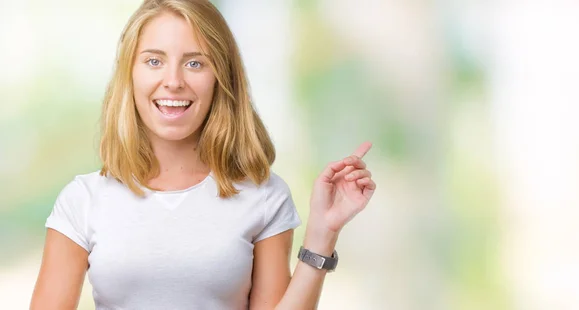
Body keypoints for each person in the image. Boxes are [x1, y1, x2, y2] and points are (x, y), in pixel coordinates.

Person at [30, 0, 376, 309]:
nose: (173, 81)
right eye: (154, 61)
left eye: (195, 64)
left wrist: (323, 233)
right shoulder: (83, 200)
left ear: (220, 78)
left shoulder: (264, 196)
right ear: (130, 74)